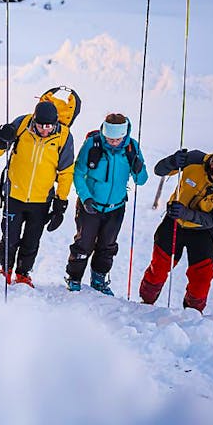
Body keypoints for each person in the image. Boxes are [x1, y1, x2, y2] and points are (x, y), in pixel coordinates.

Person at [139, 146, 213, 313]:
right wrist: (173, 161)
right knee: (159, 267)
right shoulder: (194, 159)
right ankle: (145, 301)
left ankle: (193, 314)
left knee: (203, 276)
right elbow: (159, 170)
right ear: (212, 164)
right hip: (173, 223)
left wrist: (187, 214)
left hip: (202, 230)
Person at [0, 100, 75, 288]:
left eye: (49, 126)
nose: (45, 130)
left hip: (41, 200)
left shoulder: (64, 136)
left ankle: (23, 274)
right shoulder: (21, 125)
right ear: (34, 120)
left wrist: (61, 203)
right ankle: (5, 269)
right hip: (14, 195)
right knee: (9, 237)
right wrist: (0, 139)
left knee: (31, 240)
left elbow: (66, 172)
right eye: (40, 125)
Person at [64, 113, 148, 294]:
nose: (113, 142)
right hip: (90, 206)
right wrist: (86, 198)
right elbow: (78, 174)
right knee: (83, 244)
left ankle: (99, 280)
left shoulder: (132, 147)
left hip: (116, 208)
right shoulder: (92, 144)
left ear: (124, 135)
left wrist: (138, 167)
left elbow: (141, 180)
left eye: (117, 139)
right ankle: (74, 278)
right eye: (109, 138)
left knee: (107, 246)